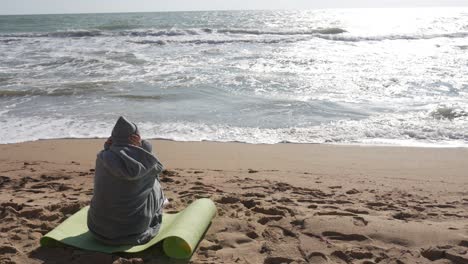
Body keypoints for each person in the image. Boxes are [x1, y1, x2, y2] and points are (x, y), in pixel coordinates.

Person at [87, 116, 165, 245]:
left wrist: (108, 148)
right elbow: (158, 167)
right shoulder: (143, 161)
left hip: (97, 228)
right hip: (132, 229)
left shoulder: (102, 157)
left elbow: (117, 159)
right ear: (135, 137)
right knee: (154, 182)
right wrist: (143, 148)